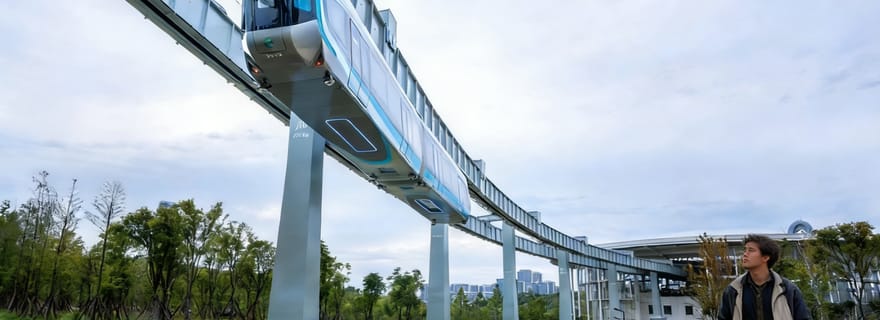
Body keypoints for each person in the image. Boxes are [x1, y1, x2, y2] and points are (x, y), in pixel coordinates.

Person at [718, 234, 811, 320]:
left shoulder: (788, 290)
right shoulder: (733, 290)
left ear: (765, 258)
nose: (745, 254)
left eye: (751, 250)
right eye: (745, 250)